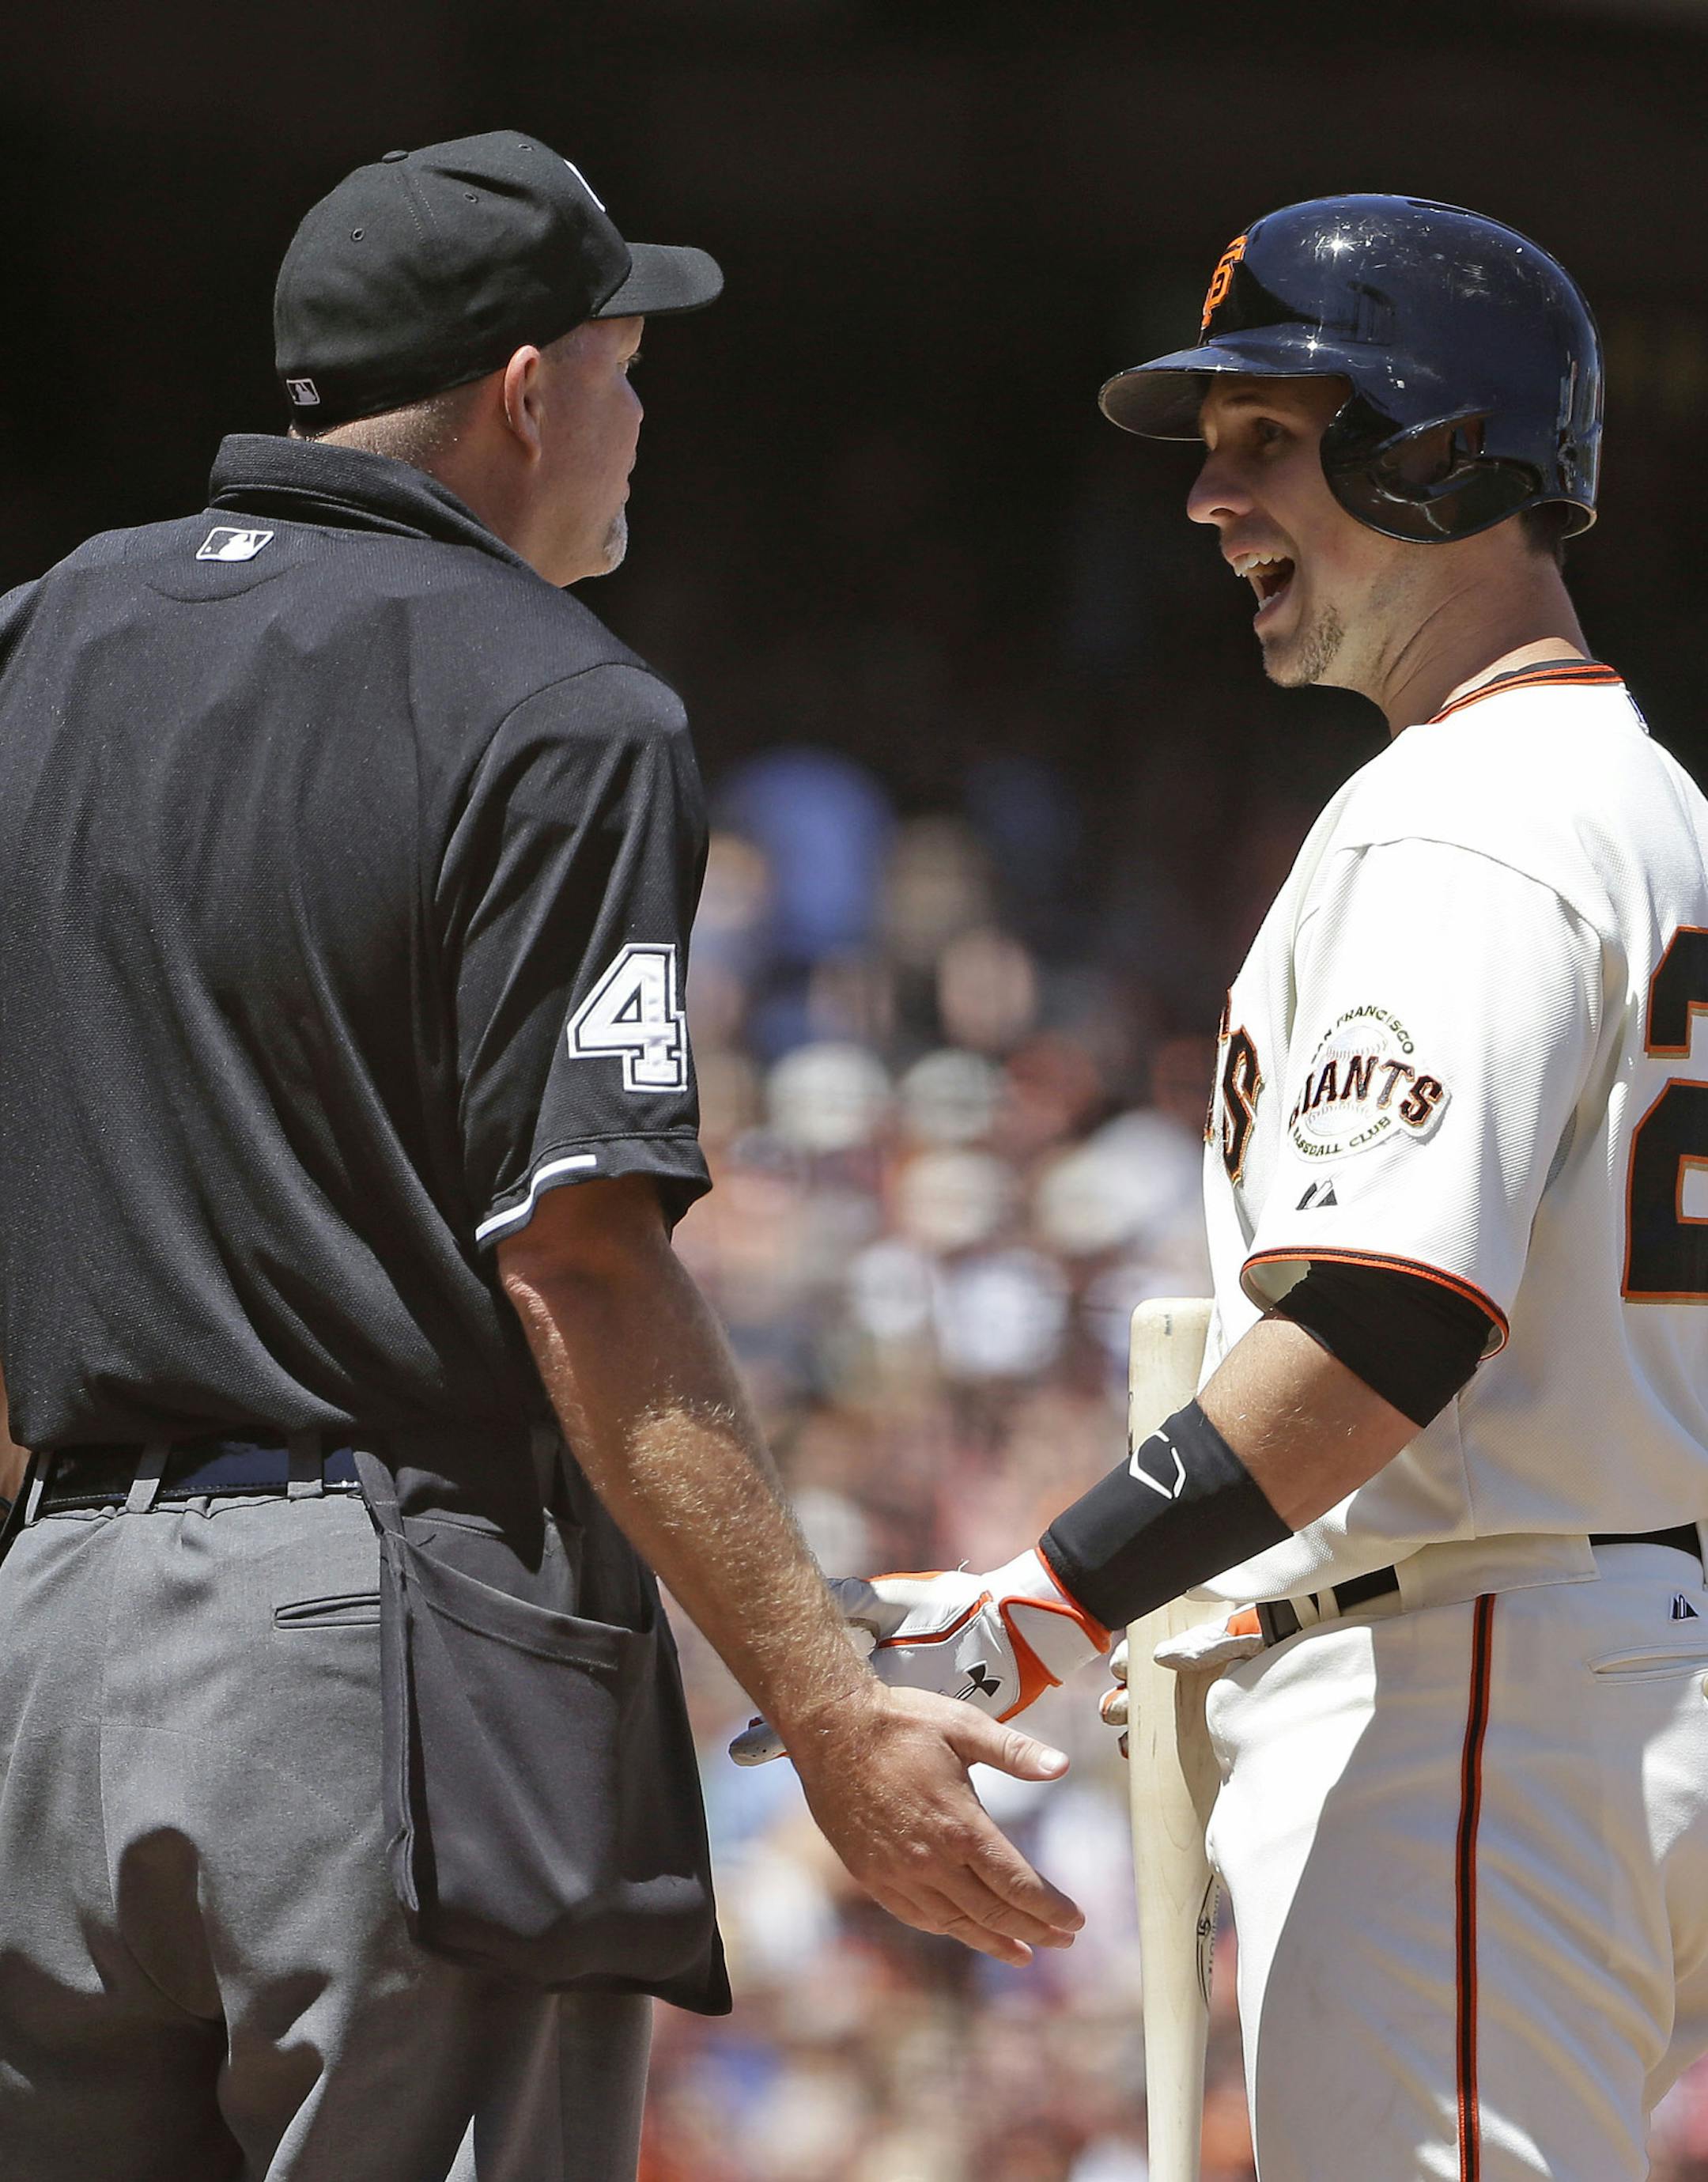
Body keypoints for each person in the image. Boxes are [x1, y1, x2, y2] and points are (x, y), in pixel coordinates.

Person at [0, 132, 1081, 2182]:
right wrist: (834, 1715)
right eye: (626, 360)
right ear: (526, 387)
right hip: (372, 1654)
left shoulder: (47, 639)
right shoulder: (555, 700)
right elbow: (577, 1259)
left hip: (50, 1632)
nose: (641, 411)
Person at [741, 196, 1708, 2180]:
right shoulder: (1645, 800)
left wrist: (1049, 1604)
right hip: (1577, 1651)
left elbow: (1387, 1318)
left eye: (1268, 439)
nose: (1209, 500)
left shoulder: (1467, 818)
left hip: (1477, 1687)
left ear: (1432, 453)